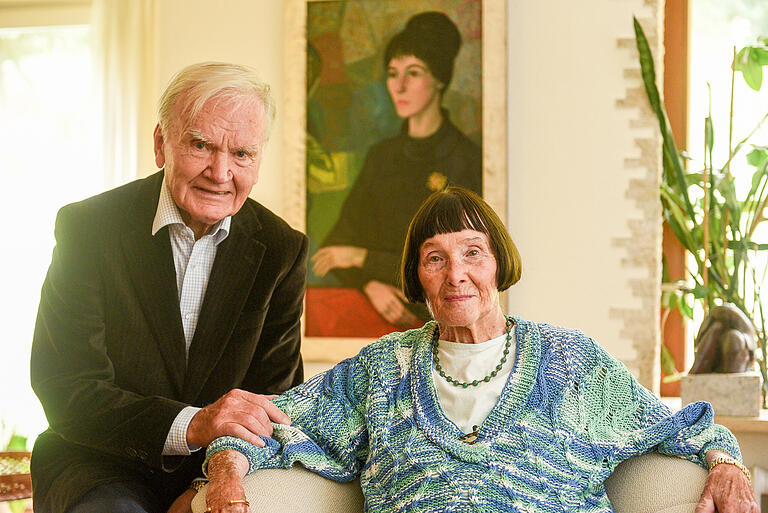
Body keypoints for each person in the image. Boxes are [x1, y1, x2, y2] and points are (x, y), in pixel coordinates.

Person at [199, 187, 758, 513]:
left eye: (473, 252)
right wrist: (225, 471)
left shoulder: (572, 364)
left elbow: (684, 427)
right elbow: (265, 422)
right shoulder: (382, 368)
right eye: (435, 258)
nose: (456, 275)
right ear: (417, 277)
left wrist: (728, 463)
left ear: (499, 263)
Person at [29, 62, 308, 513]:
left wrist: (212, 478)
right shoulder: (88, 228)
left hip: (220, 467)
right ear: (162, 144)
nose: (220, 173)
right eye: (201, 145)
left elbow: (275, 401)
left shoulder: (281, 249)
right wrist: (192, 424)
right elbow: (67, 386)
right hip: (97, 465)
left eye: (242, 154)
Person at [311, 11, 482, 330]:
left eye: (413, 73)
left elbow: (453, 262)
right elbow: (335, 248)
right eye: (392, 73)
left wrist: (362, 259)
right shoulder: (382, 156)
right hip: (375, 306)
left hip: (438, 316)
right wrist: (370, 285)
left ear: (440, 79)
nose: (399, 86)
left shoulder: (466, 159)